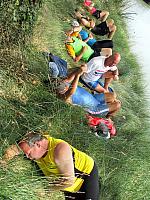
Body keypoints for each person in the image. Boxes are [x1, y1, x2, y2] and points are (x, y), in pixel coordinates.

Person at [0, 131, 100, 200]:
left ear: (38, 145)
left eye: (29, 154)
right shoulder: (32, 142)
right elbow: (14, 149)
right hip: (67, 183)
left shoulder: (59, 151)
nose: (27, 157)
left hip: (85, 175)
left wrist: (46, 190)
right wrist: (3, 161)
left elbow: (68, 181)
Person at [57, 67, 121, 118]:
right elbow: (72, 90)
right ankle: (107, 118)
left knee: (113, 95)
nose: (60, 82)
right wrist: (77, 75)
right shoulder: (65, 95)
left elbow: (69, 78)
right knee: (117, 105)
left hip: (94, 98)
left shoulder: (65, 83)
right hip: (94, 109)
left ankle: (108, 111)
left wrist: (80, 70)